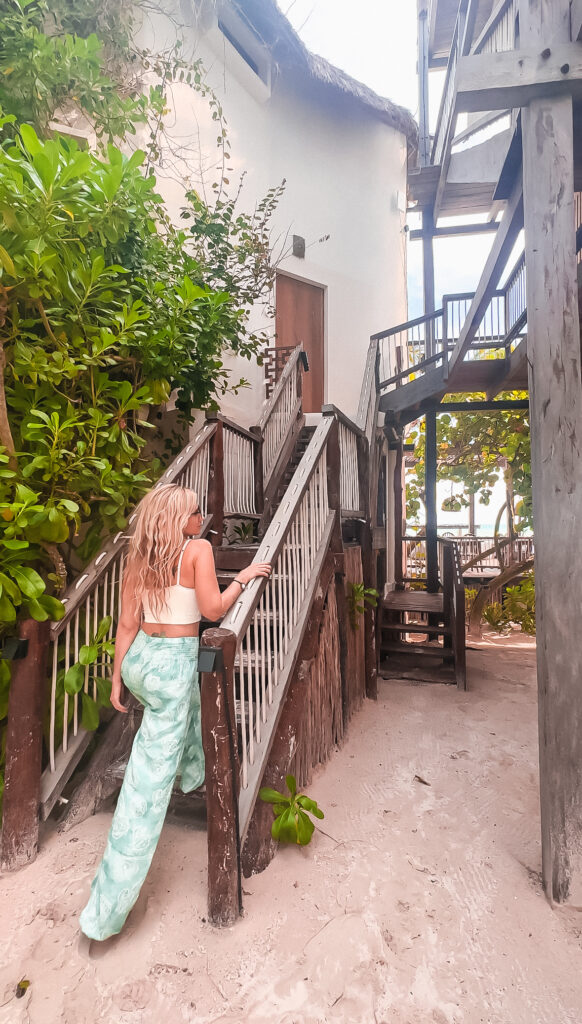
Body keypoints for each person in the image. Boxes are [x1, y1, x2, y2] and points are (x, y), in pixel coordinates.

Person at [79, 483, 271, 941]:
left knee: (187, 707)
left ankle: (190, 771)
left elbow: (127, 625)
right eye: (195, 512)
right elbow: (213, 610)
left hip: (141, 662)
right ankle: (105, 910)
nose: (201, 518)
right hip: (173, 665)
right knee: (143, 792)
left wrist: (117, 678)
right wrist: (243, 578)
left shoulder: (140, 557)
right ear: (178, 519)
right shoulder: (198, 550)